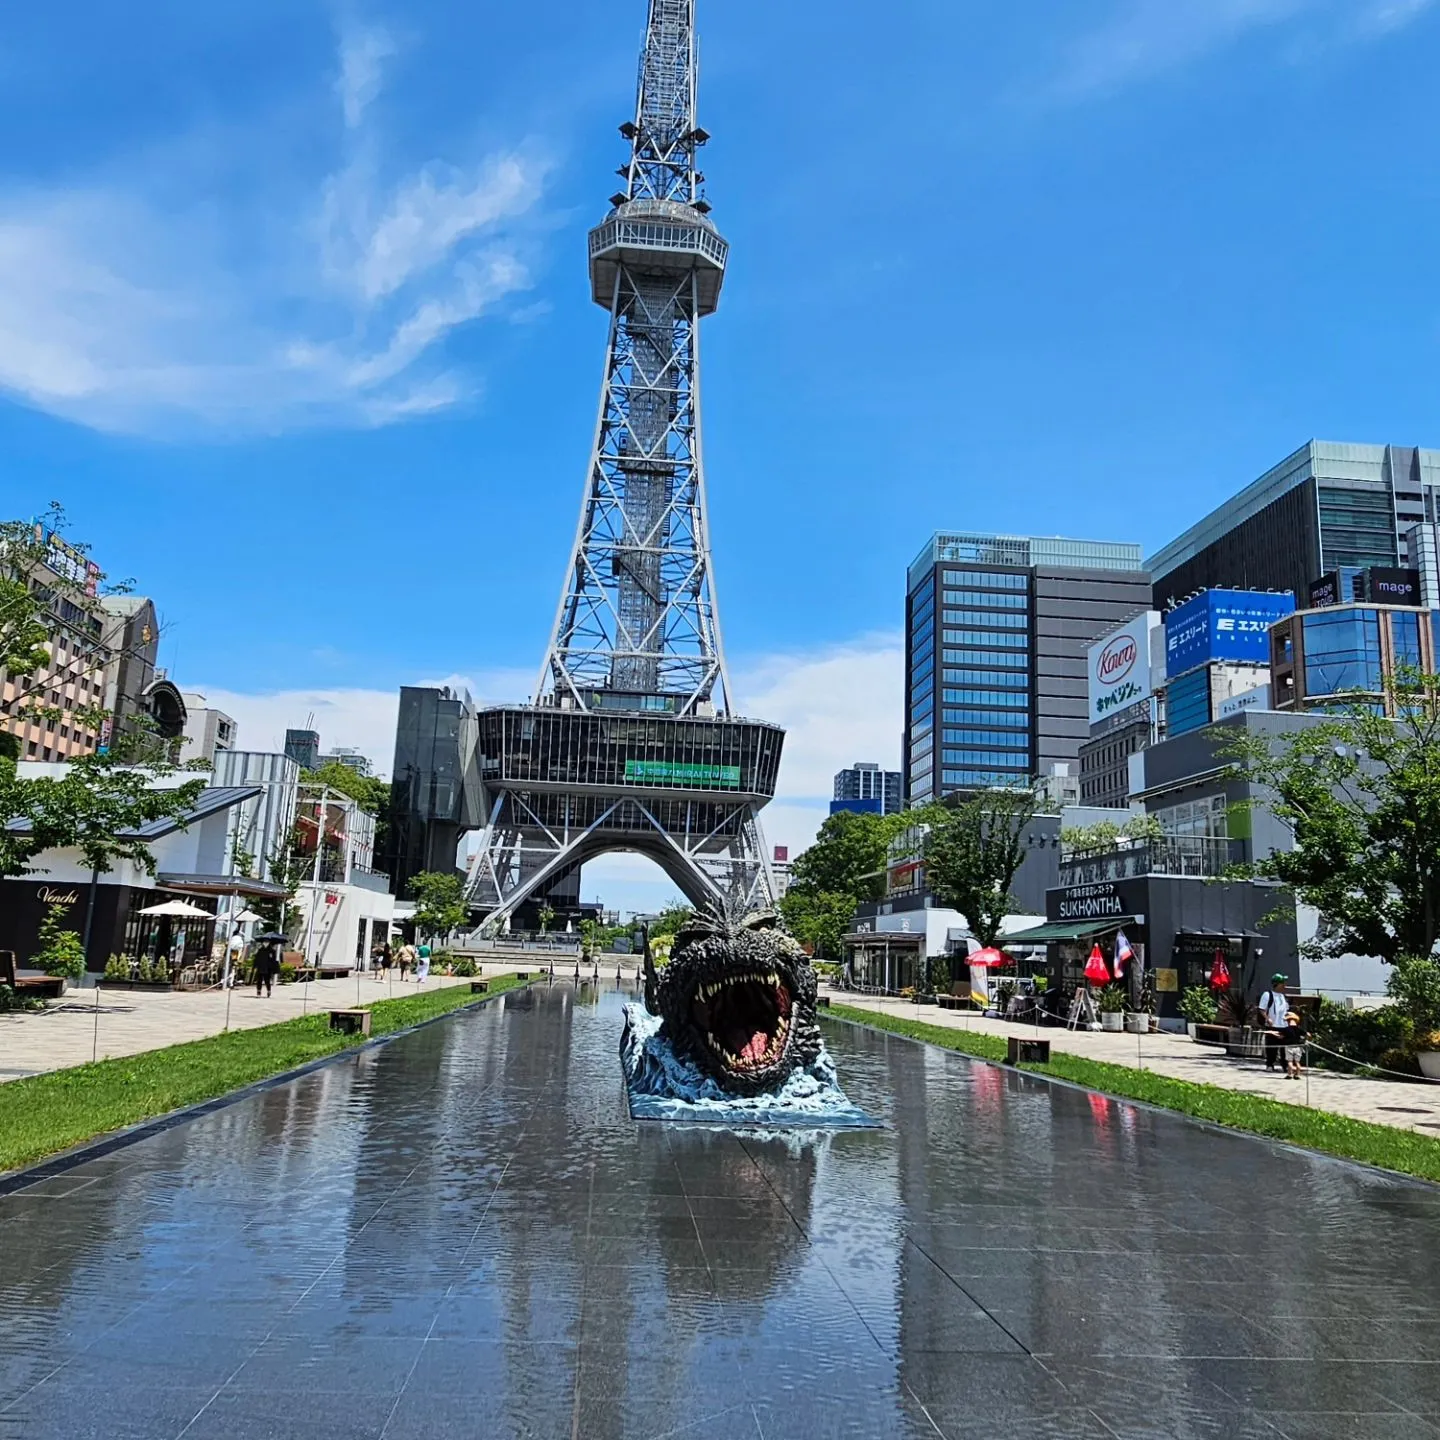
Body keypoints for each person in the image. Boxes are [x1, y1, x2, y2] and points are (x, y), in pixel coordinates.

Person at [1257, 973, 1291, 1072]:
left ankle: (1285, 1065)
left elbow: (1285, 1009)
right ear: (1277, 984)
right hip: (1273, 1025)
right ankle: (1270, 1064)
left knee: (1284, 1047)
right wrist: (1268, 1018)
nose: (1285, 985)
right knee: (1272, 1046)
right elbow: (1262, 1009)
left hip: (1284, 1025)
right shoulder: (1268, 994)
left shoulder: (1282, 996)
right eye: (1283, 983)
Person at [1280, 1009, 1306, 1080]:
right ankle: (1297, 1075)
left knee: (1290, 1061)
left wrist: (1274, 1034)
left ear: (1288, 1021)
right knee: (1297, 1062)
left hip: (1289, 1047)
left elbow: (1281, 1036)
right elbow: (1308, 1034)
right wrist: (1305, 1039)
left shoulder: (1286, 1029)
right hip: (1298, 1047)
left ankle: (1290, 1074)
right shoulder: (1299, 1029)